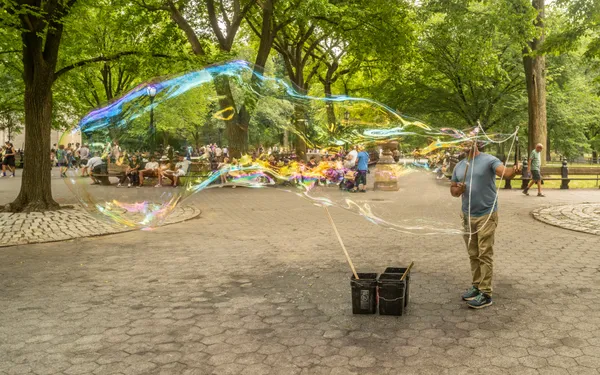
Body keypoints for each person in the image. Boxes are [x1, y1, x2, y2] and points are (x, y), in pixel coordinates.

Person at [450, 140, 520, 309]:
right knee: (473, 253)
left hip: (486, 214)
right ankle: (476, 286)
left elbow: (506, 173)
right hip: (467, 215)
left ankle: (486, 293)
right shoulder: (459, 165)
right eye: (463, 141)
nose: (465, 143)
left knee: (484, 253)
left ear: (476, 143)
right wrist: (458, 189)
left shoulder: (489, 160)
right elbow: (453, 191)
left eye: (469, 140)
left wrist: (514, 170)